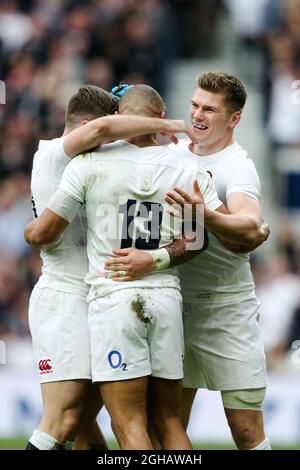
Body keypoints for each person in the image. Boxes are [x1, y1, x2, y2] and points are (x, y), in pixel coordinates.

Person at [25, 84, 223, 450]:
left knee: (122, 426)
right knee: (164, 421)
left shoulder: (89, 164)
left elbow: (43, 233)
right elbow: (198, 238)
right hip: (152, 296)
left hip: (110, 297)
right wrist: (158, 258)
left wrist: (31, 229)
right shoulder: (185, 165)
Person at [105, 73, 271, 450]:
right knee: (168, 424)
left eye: (210, 109)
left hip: (226, 309)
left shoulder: (237, 165)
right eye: (195, 104)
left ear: (234, 119)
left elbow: (249, 226)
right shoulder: (173, 151)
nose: (197, 114)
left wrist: (206, 214)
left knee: (245, 429)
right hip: (174, 309)